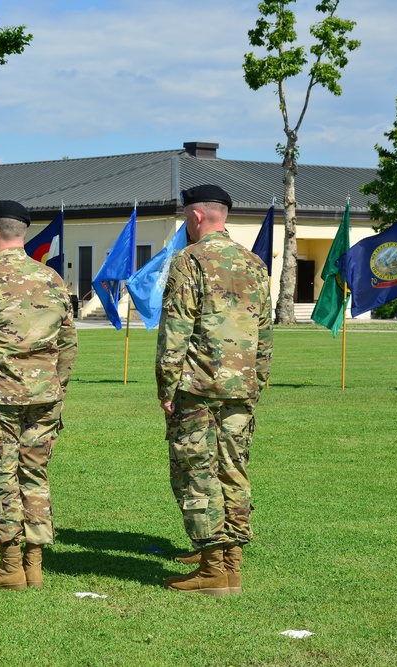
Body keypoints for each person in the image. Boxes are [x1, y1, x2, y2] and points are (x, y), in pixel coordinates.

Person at [157, 185, 272, 596]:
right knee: (233, 470)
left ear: (197, 216)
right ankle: (231, 563)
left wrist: (166, 388)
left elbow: (175, 332)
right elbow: (265, 334)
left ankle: (213, 570)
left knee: (197, 473)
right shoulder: (255, 263)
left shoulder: (189, 261)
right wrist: (258, 382)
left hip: (198, 387)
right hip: (241, 388)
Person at [0, 200, 78, 590]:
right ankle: (34, 564)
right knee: (35, 476)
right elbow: (68, 342)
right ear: (21, 233)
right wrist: (57, 387)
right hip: (44, 396)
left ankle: (11, 565)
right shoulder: (52, 279)